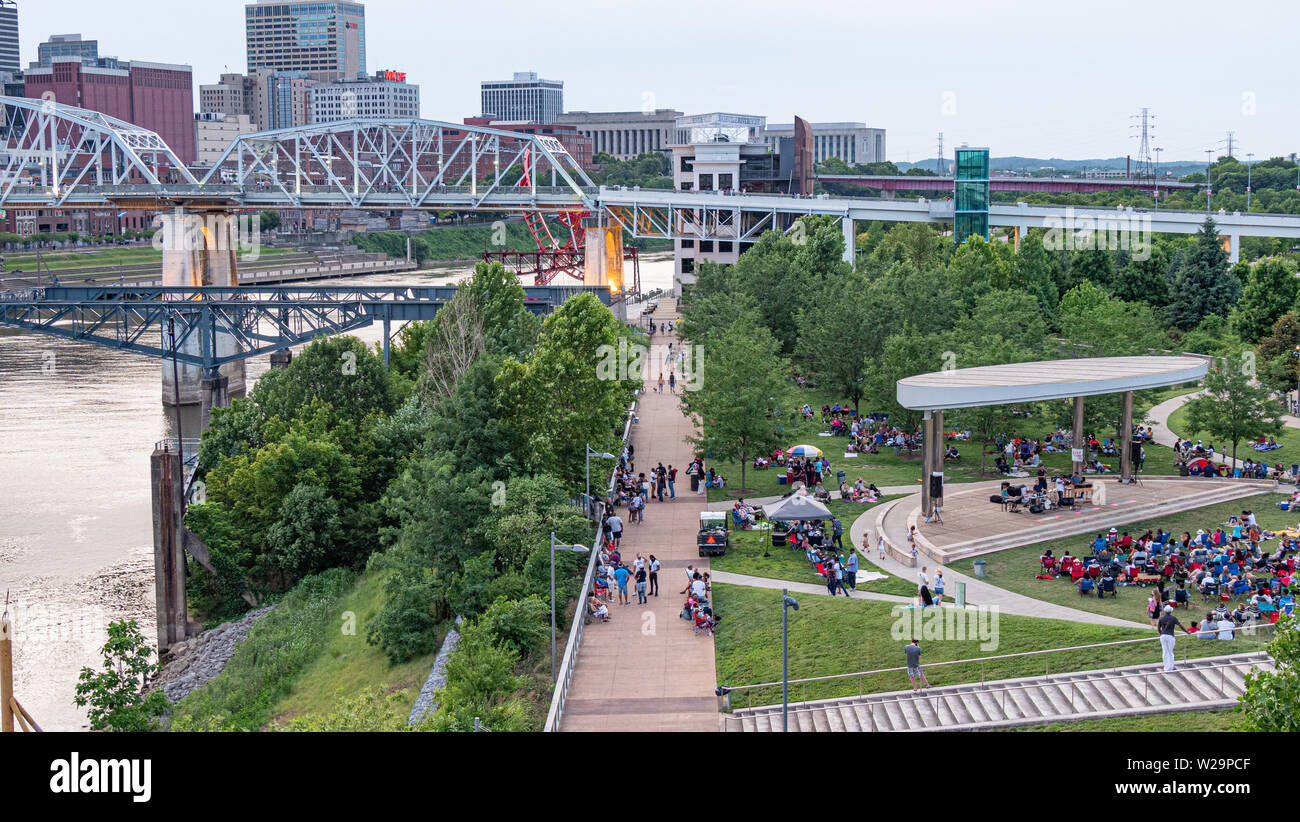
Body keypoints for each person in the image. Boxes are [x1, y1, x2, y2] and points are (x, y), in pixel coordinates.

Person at [1157, 604, 1183, 671]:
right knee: (1170, 652)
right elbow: (1180, 626)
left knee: (1165, 652)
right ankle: (1170, 667)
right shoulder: (1173, 618)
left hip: (1163, 636)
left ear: (1165, 611)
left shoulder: (1161, 618)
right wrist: (1187, 632)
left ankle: (1166, 667)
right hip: (1170, 636)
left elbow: (1158, 628)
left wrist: (1161, 634)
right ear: (1171, 611)